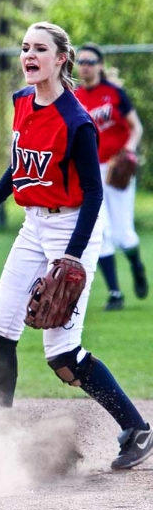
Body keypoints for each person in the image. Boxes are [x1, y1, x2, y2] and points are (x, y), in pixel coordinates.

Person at [0, 21, 153, 470]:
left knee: (62, 356)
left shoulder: (77, 121)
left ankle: (137, 429)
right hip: (33, 226)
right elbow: (20, 167)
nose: (29, 55)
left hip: (74, 227)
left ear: (60, 58)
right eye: (25, 47)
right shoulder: (21, 102)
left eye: (40, 49)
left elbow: (94, 195)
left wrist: (71, 254)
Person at [75, 42, 148, 311]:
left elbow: (135, 127)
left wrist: (128, 150)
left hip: (117, 171)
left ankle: (136, 265)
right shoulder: (73, 96)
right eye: (81, 61)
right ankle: (115, 292)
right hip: (91, 172)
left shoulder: (114, 94)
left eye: (90, 61)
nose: (85, 66)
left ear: (100, 66)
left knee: (123, 234)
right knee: (101, 231)